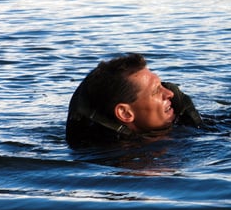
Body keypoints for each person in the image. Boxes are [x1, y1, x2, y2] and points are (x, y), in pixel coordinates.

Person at [66, 53, 203, 147]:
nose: (169, 94)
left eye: (163, 85)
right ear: (125, 113)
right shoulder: (133, 160)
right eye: (156, 91)